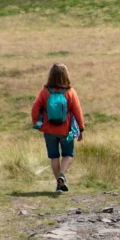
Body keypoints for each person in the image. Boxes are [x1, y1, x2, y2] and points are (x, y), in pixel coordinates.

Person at [31, 63, 85, 193]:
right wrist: (81, 129)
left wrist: (38, 124)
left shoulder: (44, 92)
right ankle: (62, 175)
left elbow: (35, 108)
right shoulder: (70, 92)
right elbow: (77, 111)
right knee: (68, 154)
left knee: (54, 157)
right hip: (66, 130)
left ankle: (58, 185)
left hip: (49, 130)